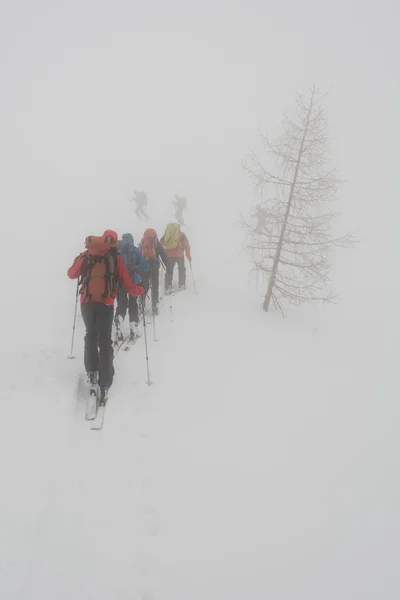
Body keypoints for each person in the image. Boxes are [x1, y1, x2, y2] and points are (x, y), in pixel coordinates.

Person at [67, 230, 145, 402]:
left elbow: (71, 274)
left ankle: (91, 371)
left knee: (90, 334)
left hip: (87, 302)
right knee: (104, 339)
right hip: (106, 304)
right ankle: (105, 381)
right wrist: (138, 290)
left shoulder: (87, 254)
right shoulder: (115, 257)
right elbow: (126, 282)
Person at [115, 233, 149, 340]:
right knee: (133, 303)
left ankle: (119, 320)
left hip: (120, 282)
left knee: (122, 303)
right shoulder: (134, 250)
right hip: (133, 281)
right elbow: (145, 266)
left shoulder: (117, 249)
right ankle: (133, 326)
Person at [139, 228, 168, 314]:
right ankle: (154, 305)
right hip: (154, 267)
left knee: (144, 285)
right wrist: (168, 266)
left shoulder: (142, 243)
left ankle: (141, 302)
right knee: (155, 286)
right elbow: (163, 254)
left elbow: (137, 254)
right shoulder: (156, 244)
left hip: (143, 267)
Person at [160, 223, 191, 292]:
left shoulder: (167, 234)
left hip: (169, 255)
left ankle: (168, 286)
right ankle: (182, 284)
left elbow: (161, 243)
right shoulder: (182, 234)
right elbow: (187, 245)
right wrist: (188, 256)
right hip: (179, 255)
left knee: (169, 270)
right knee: (181, 269)